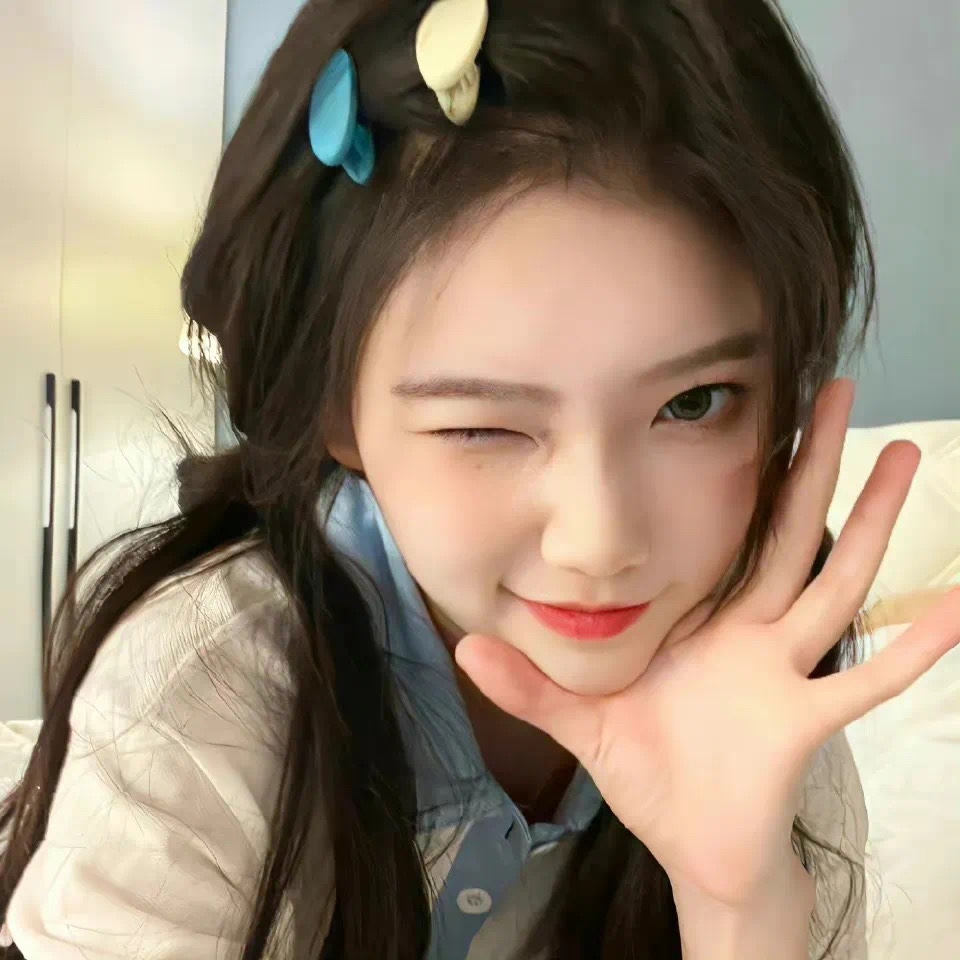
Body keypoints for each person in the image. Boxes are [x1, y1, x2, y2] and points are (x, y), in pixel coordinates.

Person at [2, 1, 958, 957]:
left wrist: (738, 904)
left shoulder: (764, 714)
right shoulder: (209, 693)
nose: (599, 542)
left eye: (694, 404)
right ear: (339, 412)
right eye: (484, 426)